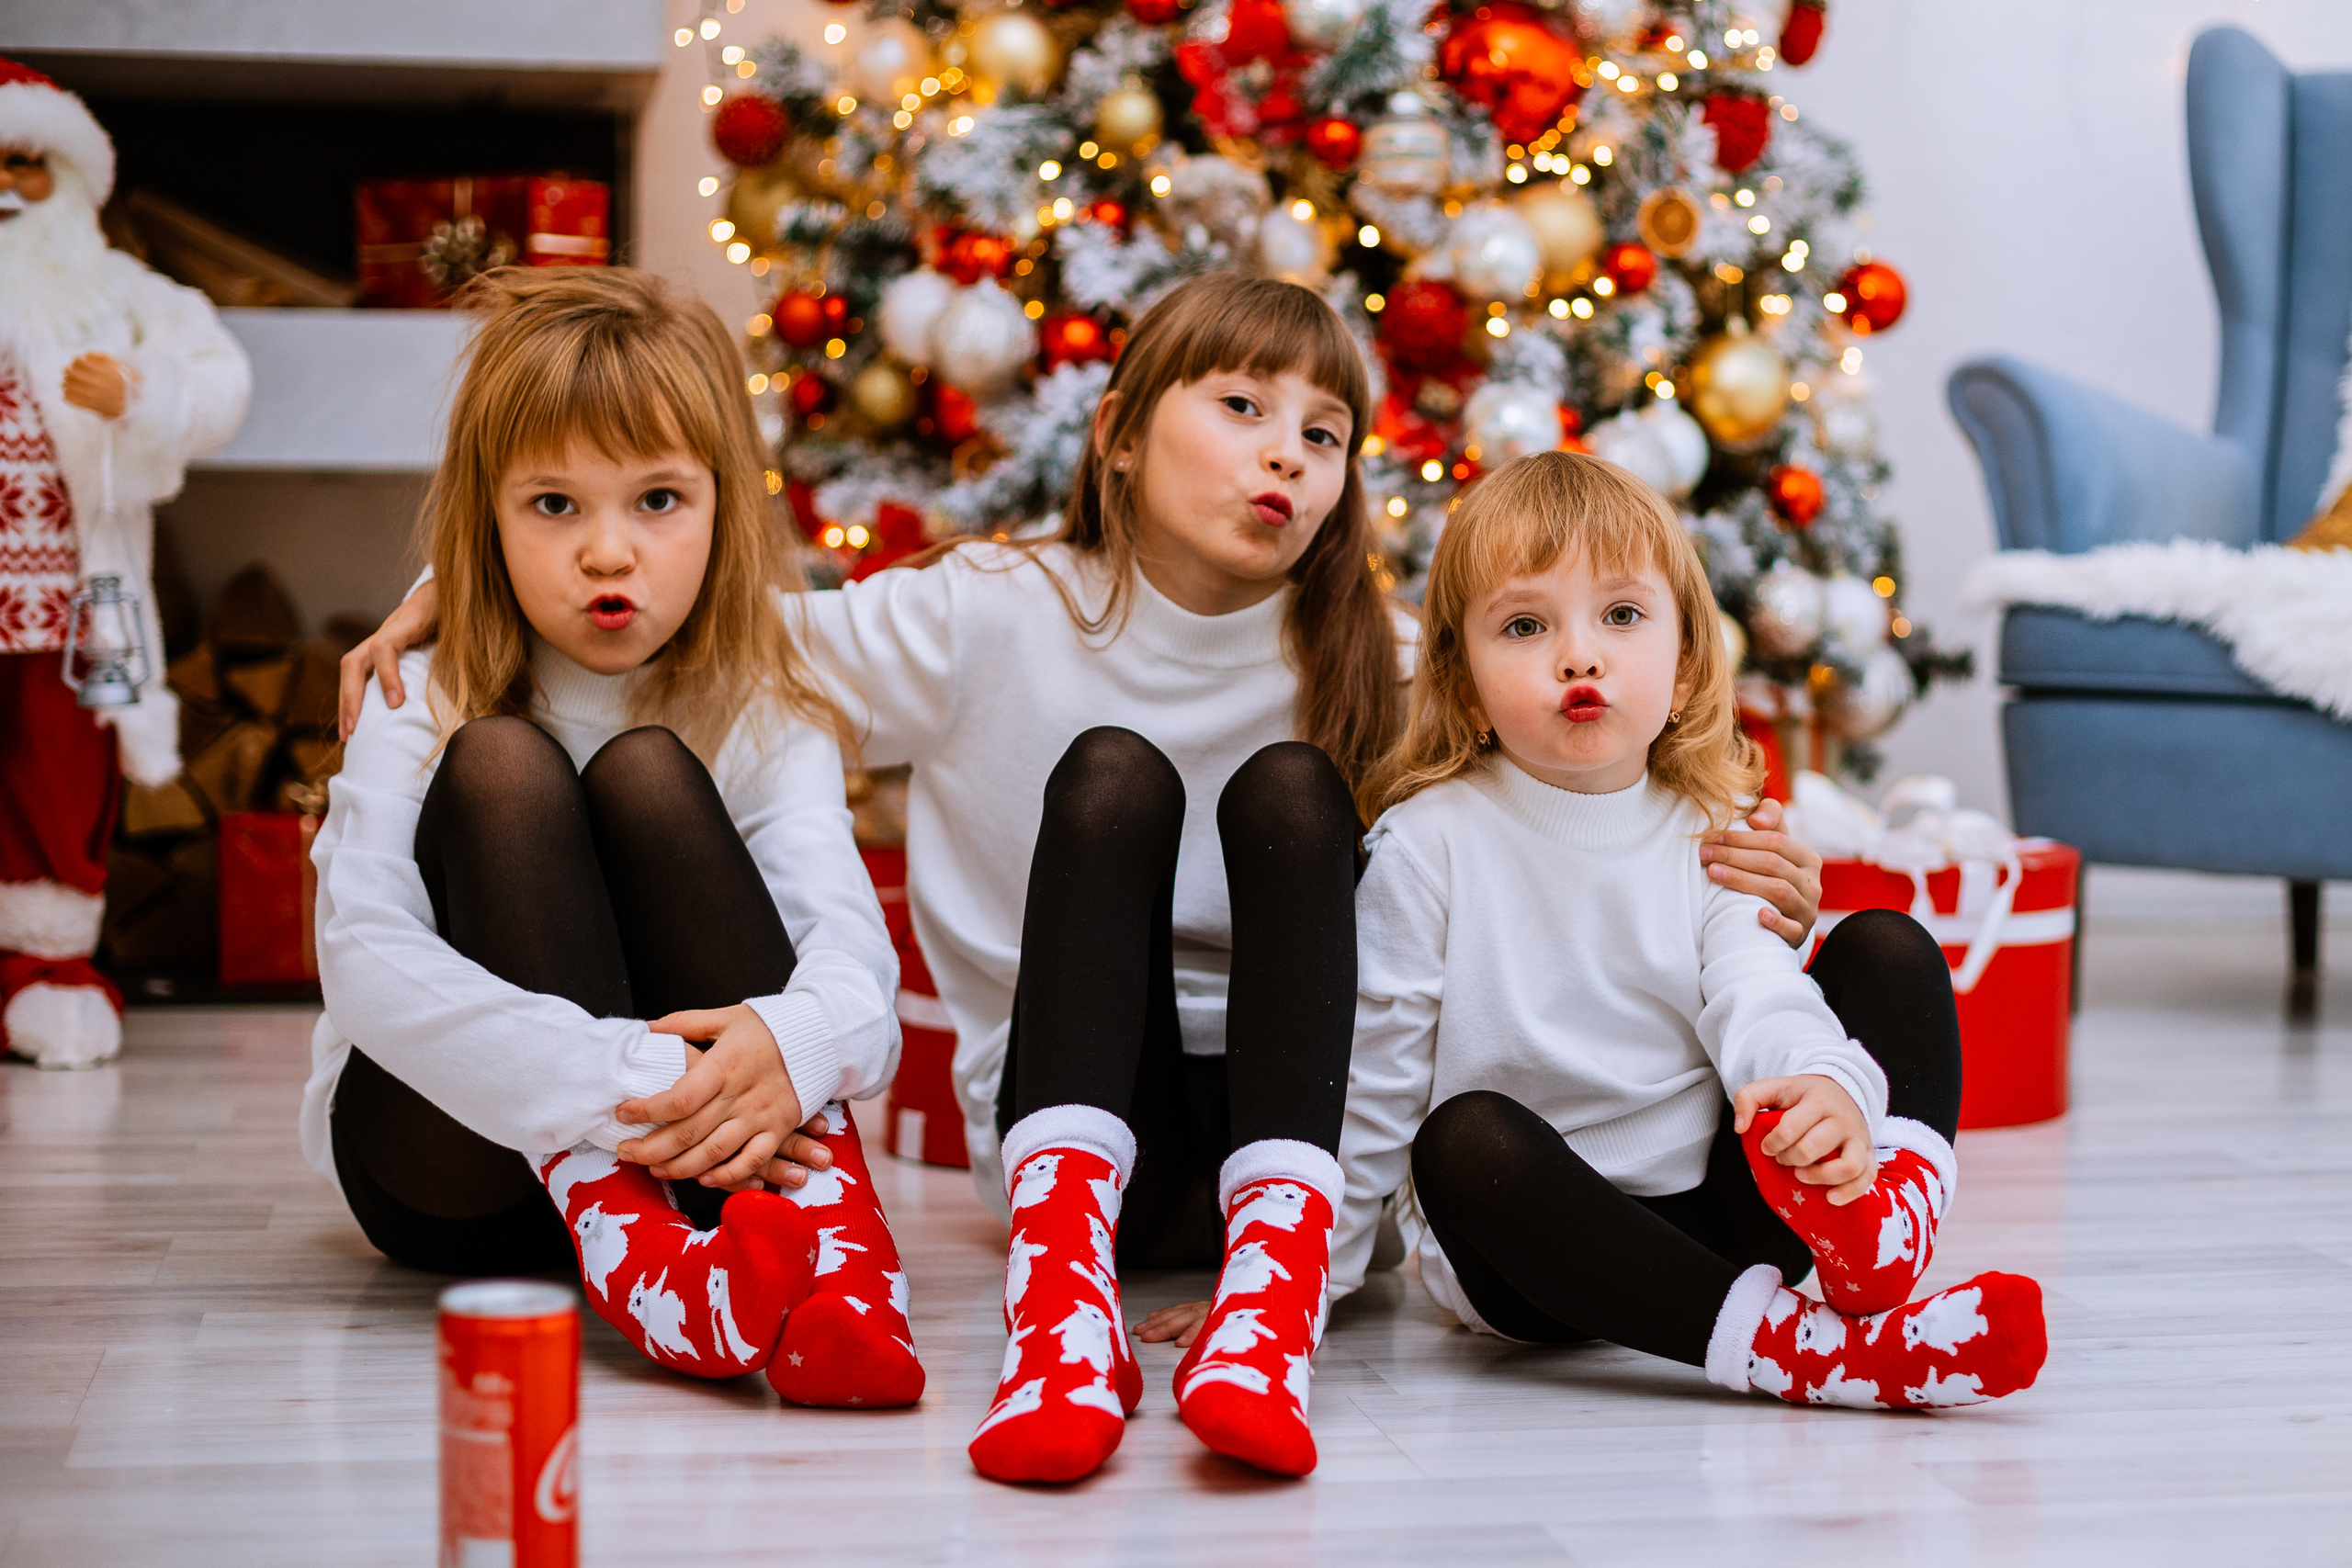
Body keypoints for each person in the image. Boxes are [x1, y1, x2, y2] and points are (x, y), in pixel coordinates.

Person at [334, 274, 1827, 1478]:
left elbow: (1557, 809)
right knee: (1110, 774)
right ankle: (1060, 1302)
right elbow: (705, 601)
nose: (1285, 454)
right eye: (1241, 406)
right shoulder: (992, 611)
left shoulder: (1369, 665)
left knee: (1294, 791)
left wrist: (1736, 858)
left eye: (1324, 434)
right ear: (1116, 433)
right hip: (1074, 1130)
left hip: (1265, 1133)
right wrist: (442, 592)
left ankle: (1267, 1290)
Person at [310, 266, 922, 1408]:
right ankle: (641, 1254)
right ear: (486, 517)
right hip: (456, 1174)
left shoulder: (762, 701)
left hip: (698, 1163)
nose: (607, 554)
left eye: (657, 501)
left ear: (721, 506)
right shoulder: (419, 690)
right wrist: (631, 1075)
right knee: (502, 765)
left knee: (647, 772)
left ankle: (842, 1268)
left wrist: (789, 1047)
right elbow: (363, 958)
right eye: (553, 507)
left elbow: (853, 958)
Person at [1329, 450, 2046, 1410]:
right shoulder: (1427, 846)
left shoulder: (1713, 825)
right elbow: (1374, 1079)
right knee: (1464, 1142)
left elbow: (1759, 994)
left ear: (1683, 668)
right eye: (1525, 625)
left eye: (1620, 617)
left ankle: (1879, 1235)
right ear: (1462, 688)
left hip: (1719, 1217)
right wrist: (1303, 1285)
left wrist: (1820, 1094)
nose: (1577, 655)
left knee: (1887, 947)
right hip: (1531, 1262)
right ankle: (1805, 1354)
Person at [0, 59, 249, 1068]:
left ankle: (46, 967)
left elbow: (217, 375)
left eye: (29, 164)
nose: (8, 186)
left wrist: (138, 392)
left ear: (69, 176)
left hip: (71, 597)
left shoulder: (114, 291)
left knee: (60, 773)